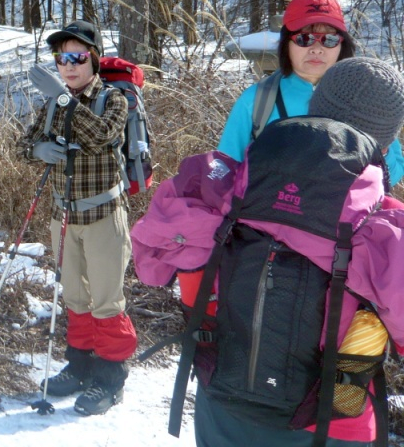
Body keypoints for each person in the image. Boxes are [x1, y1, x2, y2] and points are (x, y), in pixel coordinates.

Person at [133, 57, 404, 447]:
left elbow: (150, 266)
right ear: (386, 140)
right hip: (330, 424)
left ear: (315, 108)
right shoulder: (385, 226)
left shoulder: (220, 189)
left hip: (223, 402)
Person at [18, 19, 137, 416]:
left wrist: (67, 102)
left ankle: (110, 377)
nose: (68, 66)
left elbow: (104, 136)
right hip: (62, 216)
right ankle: (80, 365)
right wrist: (37, 151)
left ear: (94, 60)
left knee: (106, 301)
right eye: (61, 58)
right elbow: (22, 144)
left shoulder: (114, 99)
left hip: (104, 216)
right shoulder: (53, 101)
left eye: (77, 57)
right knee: (76, 296)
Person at [218, 0, 403, 185]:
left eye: (329, 39)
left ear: (342, 45)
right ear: (286, 43)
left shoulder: (368, 95)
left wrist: (381, 148)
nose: (317, 49)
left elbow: (392, 176)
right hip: (268, 213)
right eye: (304, 39)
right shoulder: (256, 101)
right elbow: (224, 171)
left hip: (347, 214)